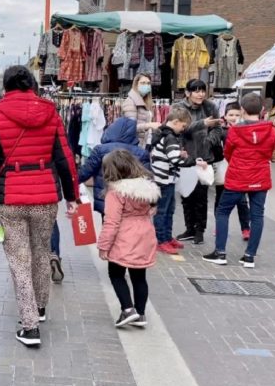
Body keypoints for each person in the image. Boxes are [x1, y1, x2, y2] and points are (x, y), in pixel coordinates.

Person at [0, 65, 79, 347]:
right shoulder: (51, 113)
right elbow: (66, 159)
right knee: (41, 252)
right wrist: (72, 197)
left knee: (19, 260)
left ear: (5, 87)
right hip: (45, 196)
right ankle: (40, 308)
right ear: (32, 84)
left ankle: (29, 326)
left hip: (10, 198)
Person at [203, 93, 275, 268]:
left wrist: (237, 161)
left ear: (242, 110)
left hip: (238, 175)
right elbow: (269, 152)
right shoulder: (271, 130)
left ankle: (220, 252)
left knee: (223, 211)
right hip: (260, 175)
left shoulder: (235, 130)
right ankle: (249, 256)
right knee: (257, 215)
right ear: (262, 110)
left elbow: (228, 152)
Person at [97, 149, 160, 328]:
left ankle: (128, 309)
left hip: (124, 236)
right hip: (145, 234)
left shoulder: (116, 193)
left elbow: (111, 222)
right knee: (139, 276)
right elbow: (152, 210)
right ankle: (140, 314)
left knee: (116, 274)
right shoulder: (147, 188)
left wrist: (103, 246)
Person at [173, 79, 222, 246]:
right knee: (186, 195)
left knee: (201, 197)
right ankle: (189, 229)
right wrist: (202, 123)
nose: (200, 94)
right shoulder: (178, 107)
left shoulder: (210, 107)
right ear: (188, 93)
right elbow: (179, 128)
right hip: (185, 157)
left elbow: (217, 128)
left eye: (202, 91)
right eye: (196, 91)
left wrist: (209, 141)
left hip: (204, 159)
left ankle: (200, 230)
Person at [79, 117, 151, 219]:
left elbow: (84, 172)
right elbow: (148, 180)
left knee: (109, 224)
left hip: (106, 199)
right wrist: (152, 204)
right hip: (131, 202)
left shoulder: (100, 150)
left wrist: (69, 185)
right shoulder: (141, 153)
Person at [150, 106, 195, 254]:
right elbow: (175, 160)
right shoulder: (170, 138)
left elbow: (169, 154)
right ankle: (161, 240)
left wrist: (179, 154)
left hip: (164, 178)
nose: (183, 129)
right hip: (164, 179)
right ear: (176, 122)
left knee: (168, 210)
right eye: (183, 126)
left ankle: (167, 238)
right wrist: (193, 161)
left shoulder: (162, 133)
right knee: (163, 211)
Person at [210, 103, 251, 241]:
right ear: (225, 116)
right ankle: (219, 226)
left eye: (237, 115)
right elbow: (215, 148)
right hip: (224, 168)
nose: (234, 117)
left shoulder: (245, 129)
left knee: (242, 201)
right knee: (220, 199)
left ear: (242, 115)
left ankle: (245, 228)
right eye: (231, 115)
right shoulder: (220, 131)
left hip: (240, 170)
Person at [121, 73, 161, 149]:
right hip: (134, 145)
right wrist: (149, 125)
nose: (146, 85)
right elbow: (130, 128)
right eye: (143, 83)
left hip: (146, 143)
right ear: (136, 85)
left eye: (148, 83)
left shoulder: (146, 102)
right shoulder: (130, 102)